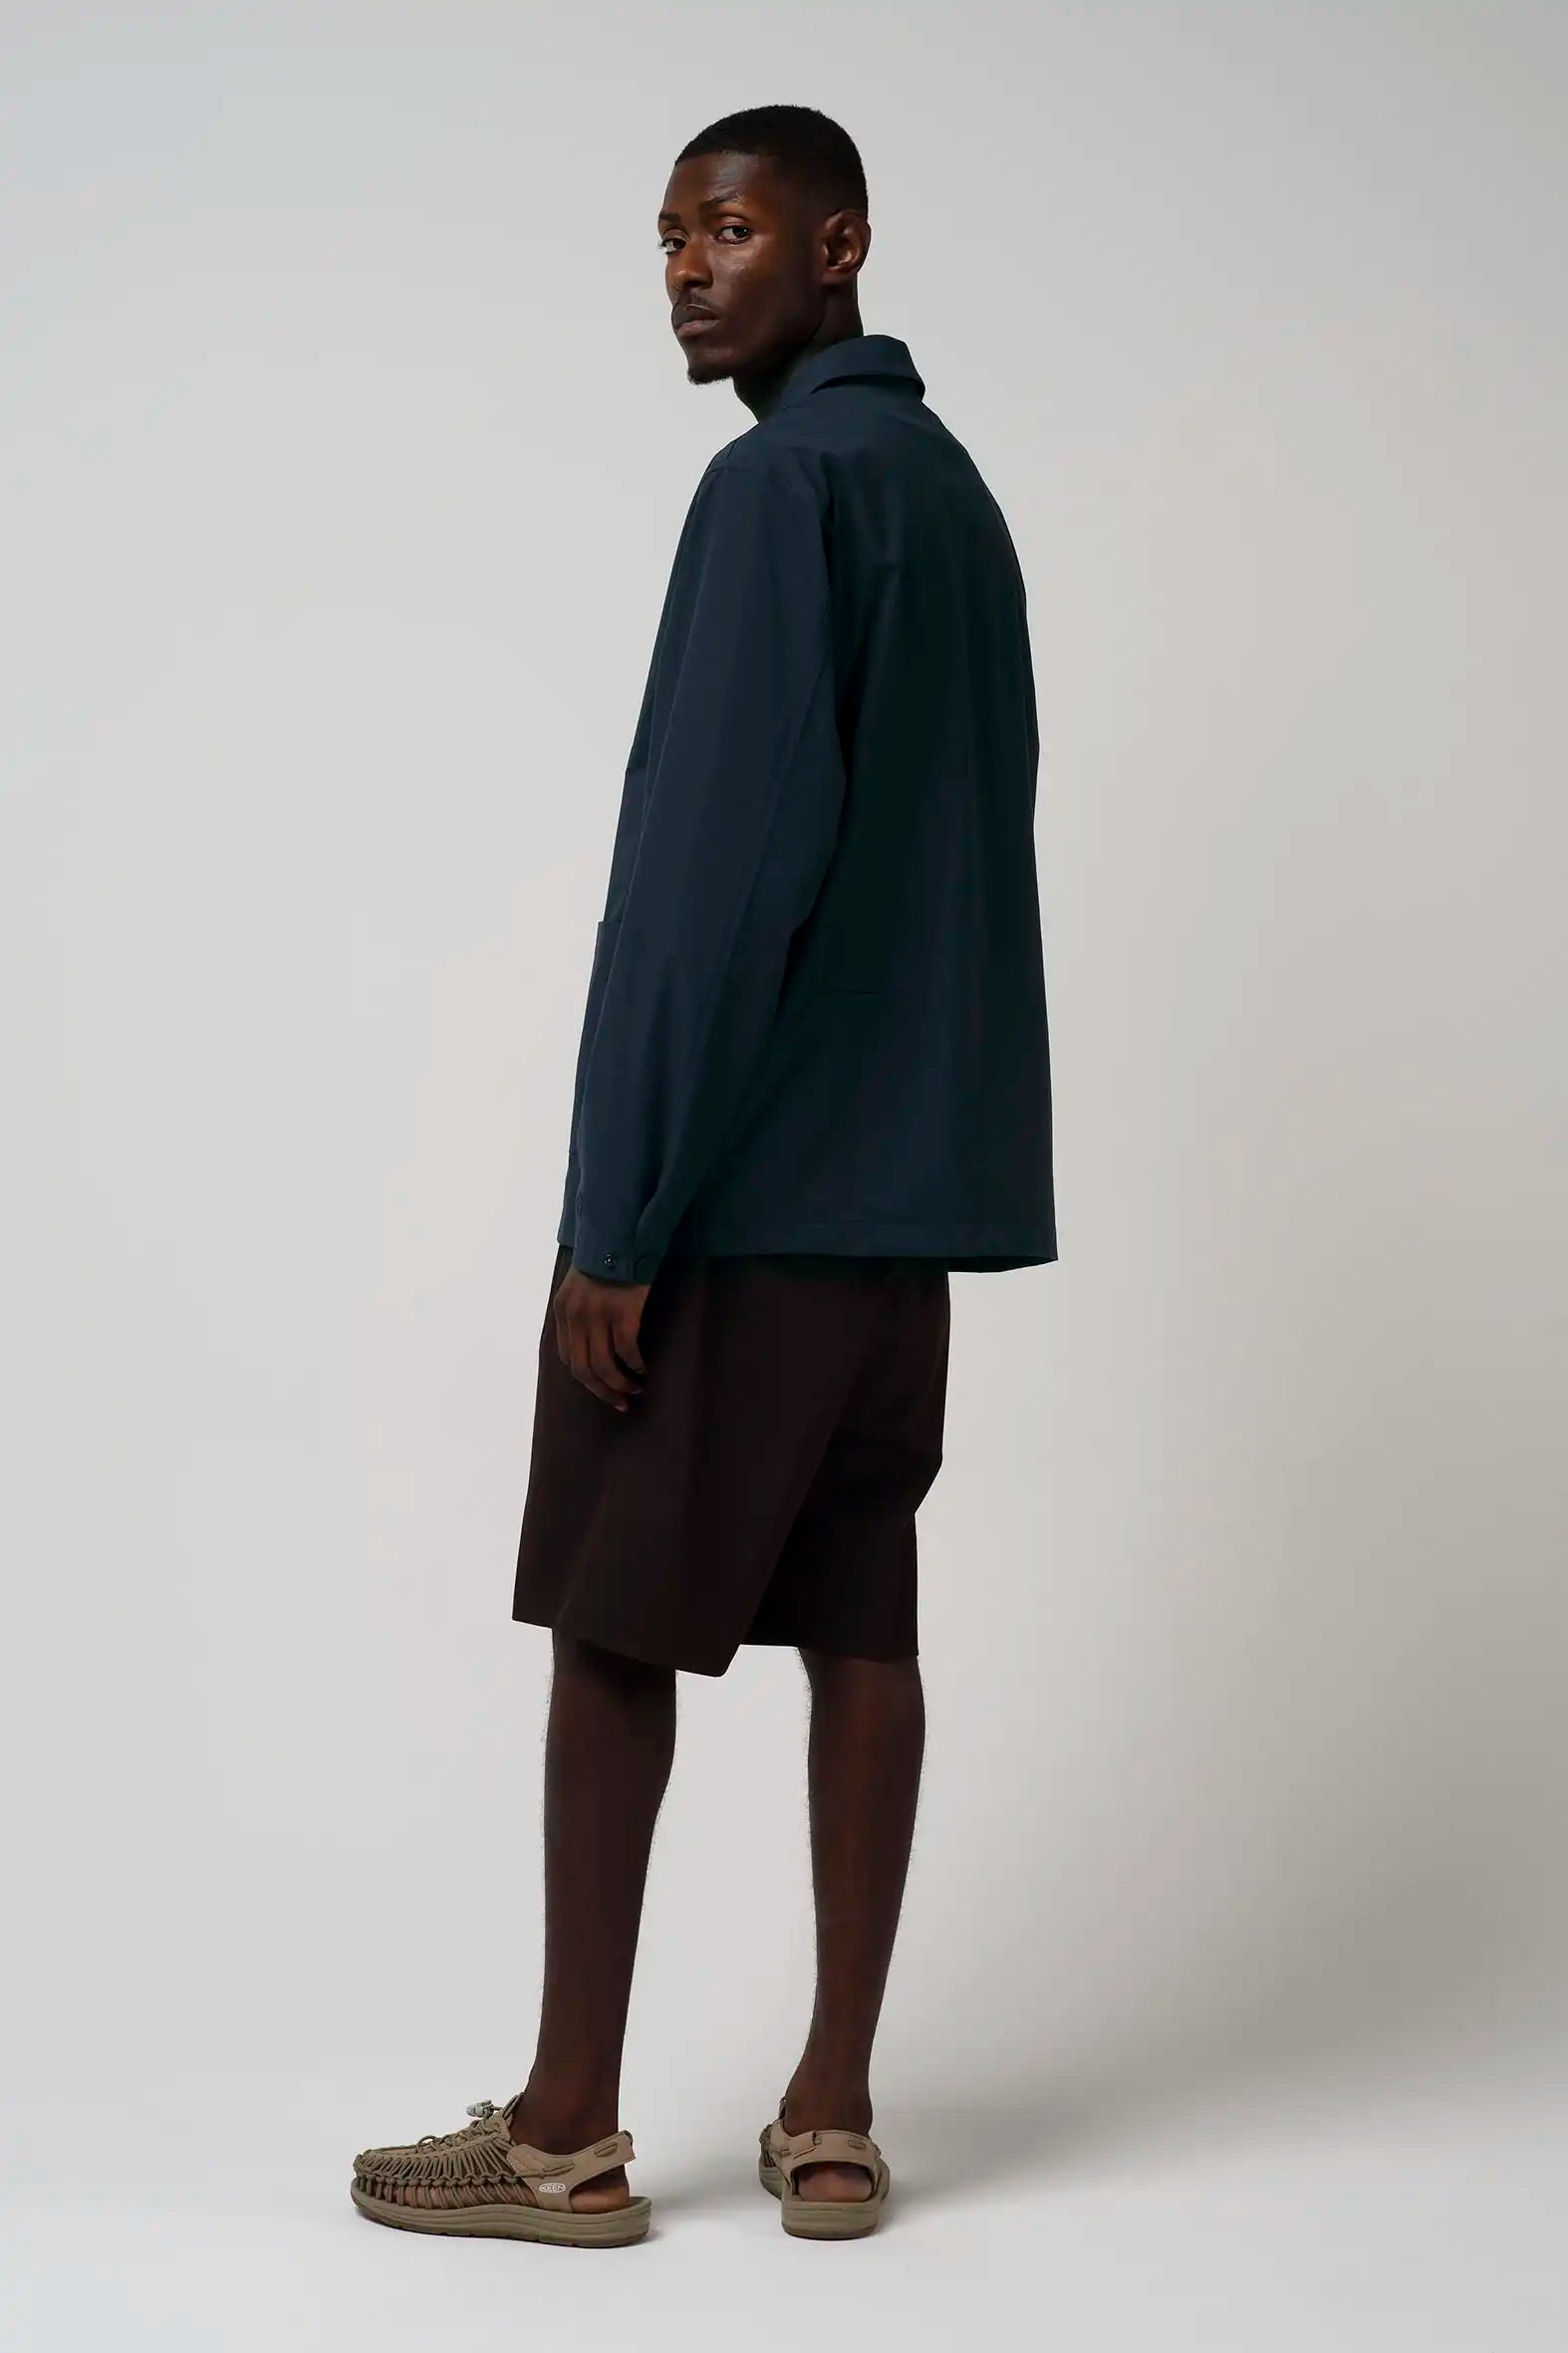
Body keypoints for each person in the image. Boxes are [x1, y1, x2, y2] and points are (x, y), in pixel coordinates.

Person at [349, 101, 1055, 2248]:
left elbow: (707, 887)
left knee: (609, 1625)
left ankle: (563, 2129)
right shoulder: (951, 495)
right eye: (665, 236)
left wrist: (616, 1217)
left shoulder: (777, 489)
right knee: (861, 1617)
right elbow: (964, 853)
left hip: (745, 1193)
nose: (685, 270)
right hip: (902, 1211)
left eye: (729, 228)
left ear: (839, 244)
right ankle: (832, 2112)